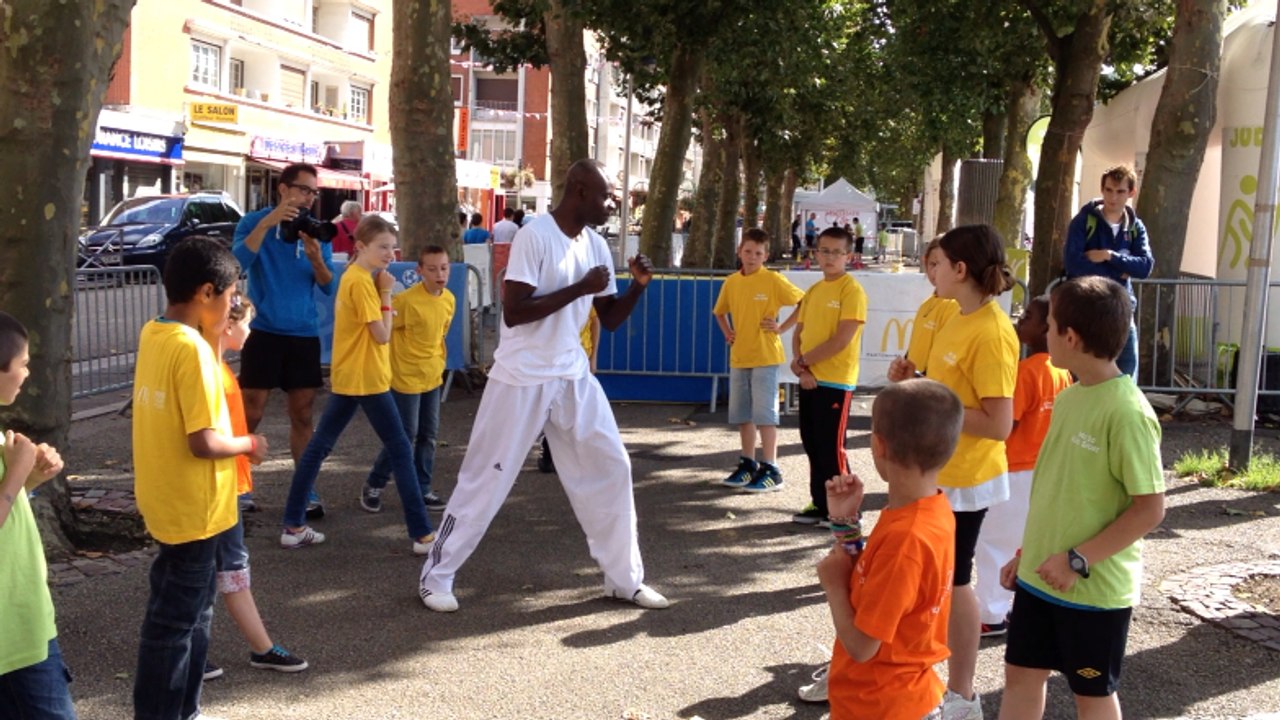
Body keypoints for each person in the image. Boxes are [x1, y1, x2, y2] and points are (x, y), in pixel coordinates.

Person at [418, 159, 667, 613]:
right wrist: (579, 288)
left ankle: (624, 580)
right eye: (604, 195)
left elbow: (608, 319)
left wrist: (637, 287)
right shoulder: (535, 235)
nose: (611, 204)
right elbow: (514, 311)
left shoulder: (595, 245)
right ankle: (437, 576)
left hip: (571, 373)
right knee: (486, 478)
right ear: (577, 191)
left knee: (613, 467)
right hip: (521, 377)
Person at [997, 276, 1165, 720]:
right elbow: (1058, 491)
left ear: (1070, 338)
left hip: (1095, 593)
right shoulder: (1069, 396)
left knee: (1091, 695)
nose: (1043, 331)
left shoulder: (1128, 413)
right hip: (1040, 575)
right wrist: (1027, 553)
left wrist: (1077, 559)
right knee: (1020, 676)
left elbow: (1150, 508)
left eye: (1049, 324)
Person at [132, 237, 268, 720]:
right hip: (195, 508)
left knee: (193, 616)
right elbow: (205, 441)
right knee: (173, 624)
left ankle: (184, 708)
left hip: (175, 501)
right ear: (207, 292)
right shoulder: (192, 351)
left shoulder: (156, 332)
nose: (234, 306)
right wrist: (250, 444)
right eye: (231, 296)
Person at [887, 224, 1018, 719]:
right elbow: (953, 393)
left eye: (938, 263)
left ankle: (963, 695)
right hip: (942, 470)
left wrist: (933, 405)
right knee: (936, 580)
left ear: (961, 270)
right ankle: (928, 680)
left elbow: (1000, 423)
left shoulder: (991, 330)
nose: (932, 271)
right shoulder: (956, 317)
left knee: (957, 582)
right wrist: (918, 383)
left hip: (967, 480)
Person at [279, 215, 435, 554]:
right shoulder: (363, 281)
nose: (390, 254)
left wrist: (382, 290)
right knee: (400, 450)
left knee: (320, 449)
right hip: (367, 378)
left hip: (355, 376)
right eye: (383, 247)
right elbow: (382, 335)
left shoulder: (356, 276)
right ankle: (421, 533)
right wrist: (387, 293)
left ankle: (293, 524)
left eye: (393, 248)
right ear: (360, 246)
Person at [816, 378, 964, 720]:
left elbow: (863, 647)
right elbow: (873, 585)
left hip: (880, 705)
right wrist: (846, 525)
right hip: (896, 698)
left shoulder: (907, 537)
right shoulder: (928, 510)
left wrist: (833, 586)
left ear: (878, 445)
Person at [208, 293, 308, 676]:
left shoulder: (217, 368)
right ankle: (258, 647)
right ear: (228, 324)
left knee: (219, 567)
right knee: (221, 566)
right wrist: (248, 445)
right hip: (222, 485)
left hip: (228, 482)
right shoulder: (214, 371)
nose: (250, 331)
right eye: (246, 322)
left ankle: (258, 646)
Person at [233, 162, 335, 519]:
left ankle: (305, 488)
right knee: (251, 411)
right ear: (283, 188)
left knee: (303, 414)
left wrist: (315, 257)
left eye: (313, 192)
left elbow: (327, 284)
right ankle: (237, 485)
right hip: (264, 331)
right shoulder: (254, 222)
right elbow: (236, 264)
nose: (308, 198)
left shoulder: (314, 230)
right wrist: (268, 221)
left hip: (303, 334)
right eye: (303, 190)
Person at [973, 296, 1071, 638]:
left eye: (1027, 316)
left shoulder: (1025, 373)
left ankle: (991, 612)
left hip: (1013, 468)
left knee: (992, 541)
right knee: (1019, 541)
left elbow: (1006, 425)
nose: (1019, 321)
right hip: (1040, 469)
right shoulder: (1061, 372)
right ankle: (1009, 606)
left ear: (1045, 328)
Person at [0, 314, 73, 719]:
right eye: (23, 363)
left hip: (24, 625)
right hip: (12, 633)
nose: (27, 373)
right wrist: (16, 471)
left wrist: (30, 478)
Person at [361, 245, 455, 514]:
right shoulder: (406, 301)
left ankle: (422, 488)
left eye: (444, 268)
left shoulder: (449, 299)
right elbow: (383, 328)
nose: (440, 274)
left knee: (429, 435)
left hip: (432, 377)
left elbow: (441, 335)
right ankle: (375, 483)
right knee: (405, 436)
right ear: (420, 271)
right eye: (433, 268)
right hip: (405, 378)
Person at [713, 228, 804, 493]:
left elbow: (803, 302)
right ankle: (748, 462)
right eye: (748, 251)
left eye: (758, 253)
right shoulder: (731, 282)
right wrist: (728, 332)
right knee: (743, 415)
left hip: (765, 355)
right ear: (740, 251)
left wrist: (781, 327)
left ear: (766, 255)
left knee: (765, 414)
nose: (752, 257)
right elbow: (719, 312)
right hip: (740, 356)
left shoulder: (773, 280)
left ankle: (772, 467)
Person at [790, 227, 867, 526]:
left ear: (849, 256)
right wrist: (801, 367)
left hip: (836, 382)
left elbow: (841, 340)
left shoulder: (852, 291)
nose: (830, 257)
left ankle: (846, 510)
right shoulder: (814, 291)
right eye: (825, 251)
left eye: (837, 252)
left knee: (831, 448)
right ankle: (821, 503)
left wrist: (805, 362)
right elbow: (799, 333)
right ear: (816, 253)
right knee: (811, 443)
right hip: (810, 380)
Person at [1063, 164, 1153, 380]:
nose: (1113, 197)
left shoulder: (1136, 227)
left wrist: (1109, 256)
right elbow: (1073, 264)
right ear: (1102, 190)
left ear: (1131, 193)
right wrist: (1120, 270)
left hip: (1121, 309)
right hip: (1087, 309)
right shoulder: (1084, 221)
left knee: (1126, 376)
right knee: (1083, 375)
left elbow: (1145, 266)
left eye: (1120, 191)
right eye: (1109, 190)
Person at [538, 306, 601, 475]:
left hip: (580, 360)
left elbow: (595, 322)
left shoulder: (587, 298)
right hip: (557, 360)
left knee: (578, 411)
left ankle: (573, 456)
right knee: (553, 410)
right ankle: (549, 454)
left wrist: (593, 357)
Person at [904, 237, 959, 373]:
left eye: (940, 265)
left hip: (932, 387)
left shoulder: (954, 306)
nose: (935, 271)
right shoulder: (926, 304)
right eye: (932, 264)